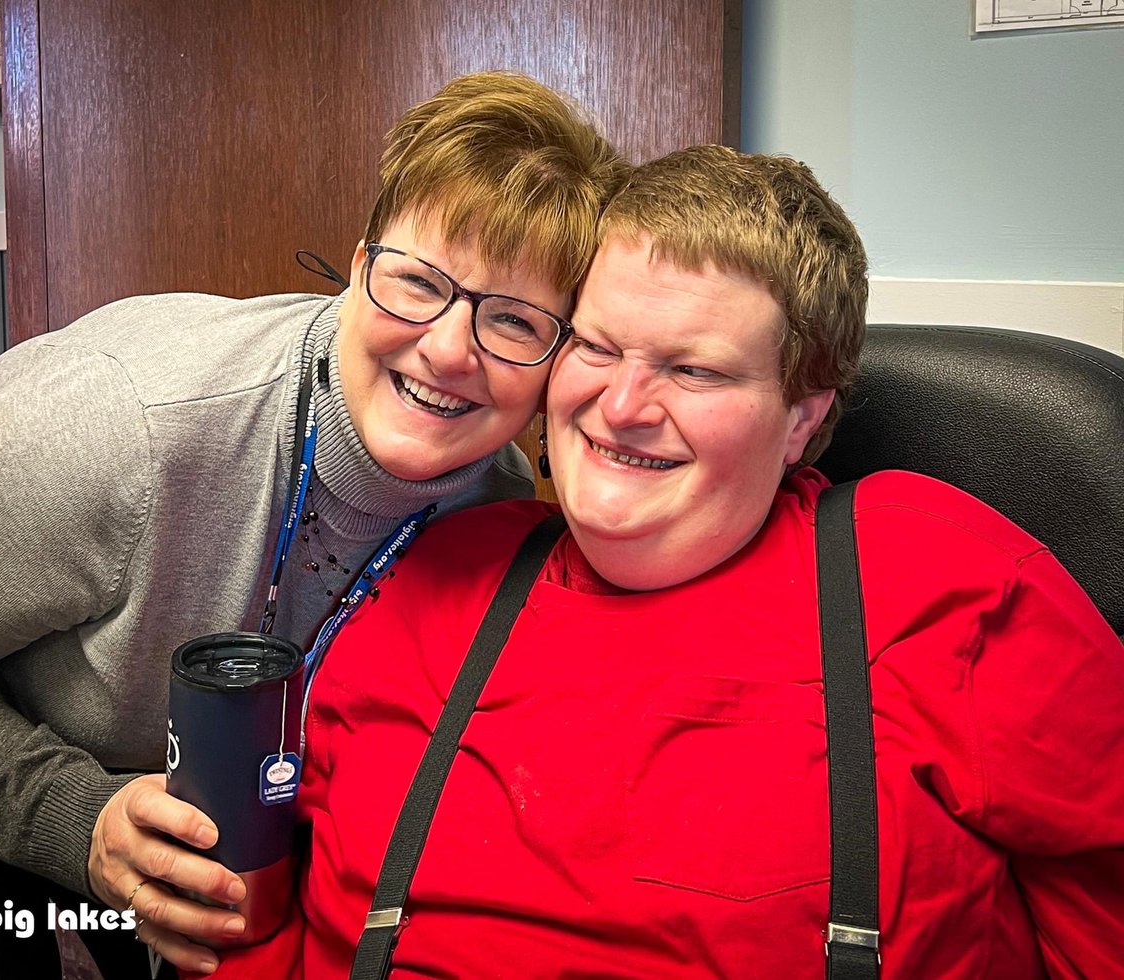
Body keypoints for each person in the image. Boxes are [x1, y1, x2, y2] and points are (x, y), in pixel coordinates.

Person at [206, 145, 1124, 978]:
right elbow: (259, 909)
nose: (622, 407)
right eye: (597, 347)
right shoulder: (440, 564)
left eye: (695, 371)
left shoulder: (931, 577)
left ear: (801, 417)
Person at [0, 70, 626, 977]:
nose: (450, 350)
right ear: (360, 265)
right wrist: (76, 818)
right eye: (417, 282)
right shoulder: (133, 429)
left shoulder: (495, 504)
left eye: (516, 322)